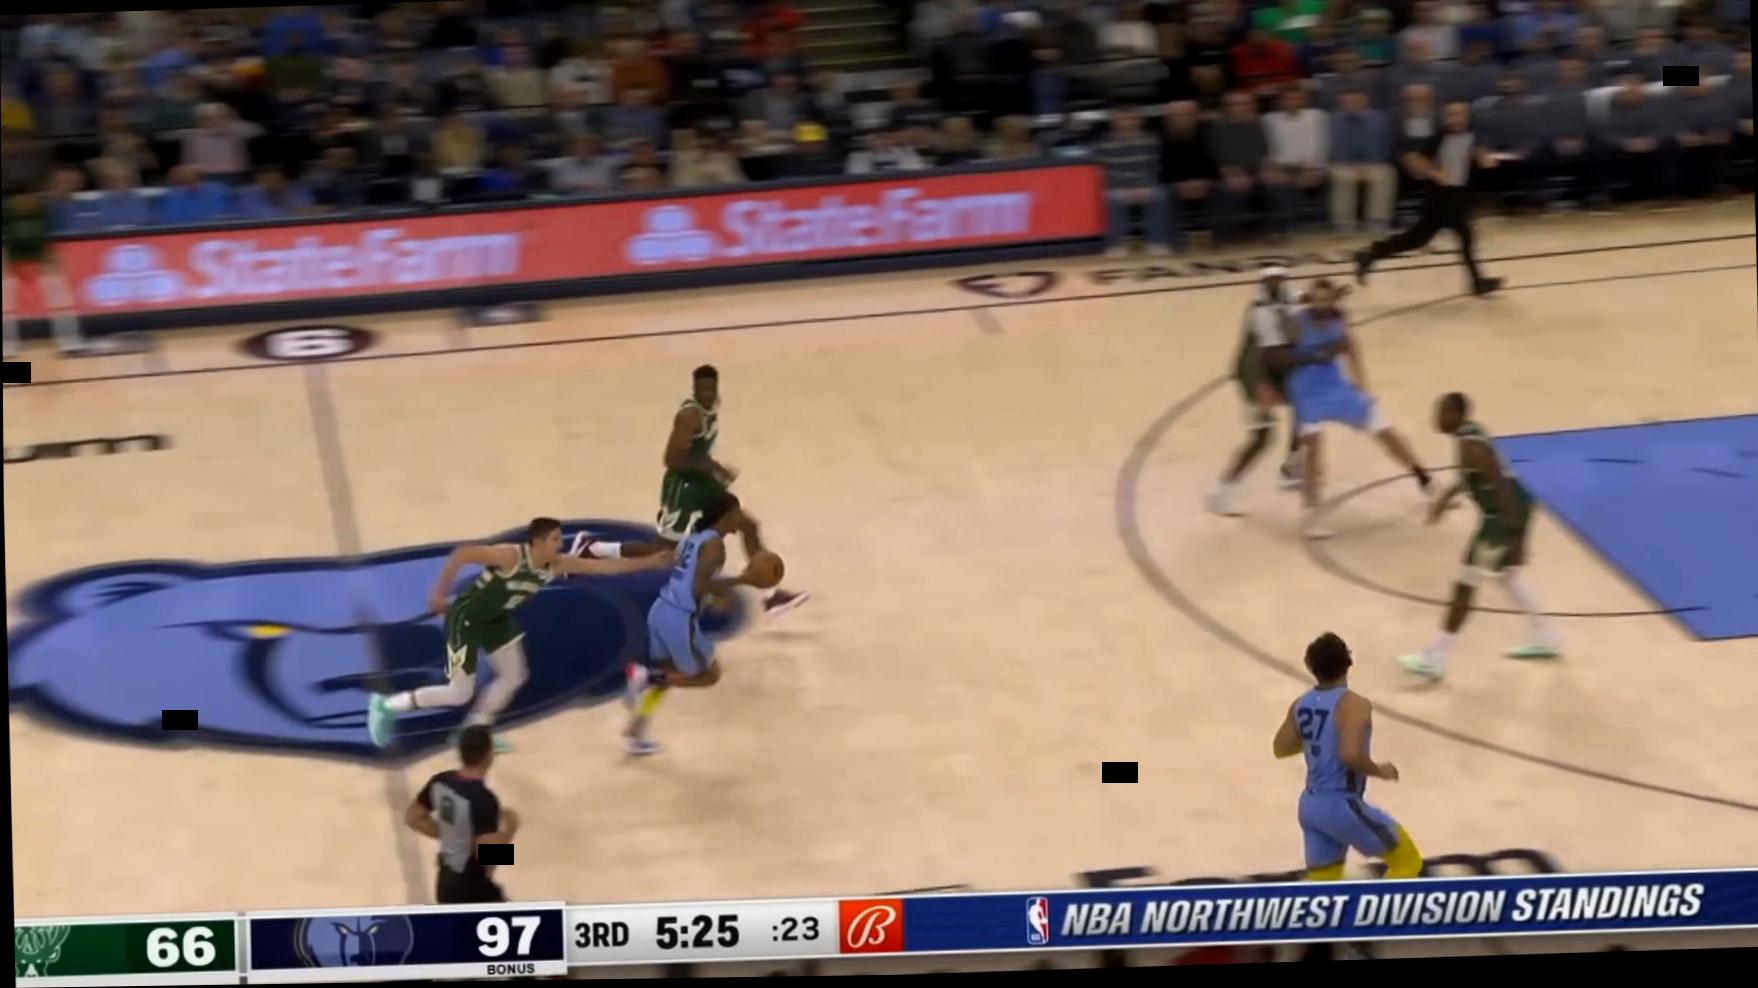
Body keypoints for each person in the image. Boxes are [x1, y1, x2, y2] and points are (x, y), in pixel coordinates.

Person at [367, 518, 673, 752]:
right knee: (459, 693)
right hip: (467, 620)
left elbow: (606, 568)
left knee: (514, 676)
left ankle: (473, 730)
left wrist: (649, 562)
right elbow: (463, 553)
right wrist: (438, 593)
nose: (560, 544)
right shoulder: (510, 556)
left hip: (496, 622)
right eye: (554, 539)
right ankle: (387, 705)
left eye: (559, 539)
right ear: (537, 542)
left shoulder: (556, 564)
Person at [1398, 393, 1560, 682]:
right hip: (1510, 510)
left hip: (1503, 516)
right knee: (1506, 577)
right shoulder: (1469, 435)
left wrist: (1516, 535)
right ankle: (1546, 636)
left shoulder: (1470, 446)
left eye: (1441, 412)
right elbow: (1469, 478)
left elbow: (1501, 484)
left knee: (1464, 584)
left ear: (1456, 414)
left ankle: (1435, 658)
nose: (1436, 418)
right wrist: (1443, 500)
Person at [650, 365, 808, 617]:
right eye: (702, 389)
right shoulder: (690, 417)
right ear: (694, 389)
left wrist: (712, 471)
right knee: (666, 552)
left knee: (748, 524)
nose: (708, 394)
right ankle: (601, 552)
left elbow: (698, 450)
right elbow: (671, 459)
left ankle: (771, 596)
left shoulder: (711, 406)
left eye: (711, 388)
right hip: (684, 491)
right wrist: (714, 466)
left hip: (703, 485)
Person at [1283, 279, 1432, 539]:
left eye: (1325, 299)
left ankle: (1426, 480)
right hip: (1306, 387)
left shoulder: (1340, 319)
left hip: (1334, 383)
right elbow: (1281, 355)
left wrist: (1361, 384)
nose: (1321, 304)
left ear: (1332, 299)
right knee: (1314, 447)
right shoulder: (1297, 321)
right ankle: (1310, 511)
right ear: (1311, 299)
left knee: (1383, 428)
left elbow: (1351, 350)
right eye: (1316, 299)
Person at [1274, 631, 1424, 881]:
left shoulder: (1301, 704)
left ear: (1310, 666)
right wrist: (1379, 770)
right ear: (1348, 663)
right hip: (1341, 804)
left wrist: (1320, 739)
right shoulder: (1354, 704)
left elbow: (1280, 748)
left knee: (1325, 881)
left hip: (1311, 805)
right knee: (1407, 860)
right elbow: (1350, 754)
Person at [623, 492, 764, 755]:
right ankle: (644, 677)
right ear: (727, 514)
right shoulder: (715, 547)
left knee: (668, 675)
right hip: (679, 618)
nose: (742, 517)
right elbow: (700, 585)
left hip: (662, 610)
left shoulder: (695, 538)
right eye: (738, 512)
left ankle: (635, 732)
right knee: (707, 675)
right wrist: (741, 581)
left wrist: (714, 598)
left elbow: (687, 576)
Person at [1354, 100, 1503, 296]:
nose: (1457, 119)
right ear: (1446, 117)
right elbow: (1416, 159)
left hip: (1457, 198)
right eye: (1452, 115)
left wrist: (1484, 158)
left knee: (1456, 238)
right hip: (1439, 200)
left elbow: (1477, 154)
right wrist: (1434, 172)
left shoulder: (1473, 137)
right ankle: (1372, 252)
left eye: (1460, 114)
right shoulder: (1439, 138)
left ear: (1467, 117)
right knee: (1419, 239)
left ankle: (1371, 253)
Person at [1206, 266, 1307, 517]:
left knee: (1305, 407)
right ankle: (1222, 491)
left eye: (1280, 278)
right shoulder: (1260, 312)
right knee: (1262, 439)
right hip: (1254, 376)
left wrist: (1328, 295)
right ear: (1264, 282)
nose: (1277, 282)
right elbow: (1261, 356)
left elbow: (1302, 298)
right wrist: (1262, 386)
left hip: (1274, 371)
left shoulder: (1285, 296)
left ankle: (1292, 468)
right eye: (1272, 279)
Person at [406, 725, 519, 903]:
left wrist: (452, 834)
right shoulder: (484, 799)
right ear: (489, 755)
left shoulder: (440, 781)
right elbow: (488, 856)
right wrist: (511, 829)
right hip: (471, 890)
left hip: (445, 882)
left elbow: (412, 817)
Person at [2, 188, 83, 356]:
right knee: (5, 304)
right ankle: (6, 344)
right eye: (20, 199)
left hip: (43, 258)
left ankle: (69, 340)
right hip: (12, 258)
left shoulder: (45, 210)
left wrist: (52, 256)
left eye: (29, 197)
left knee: (61, 299)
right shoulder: (5, 212)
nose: (25, 202)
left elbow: (52, 235)